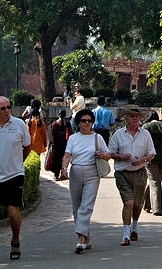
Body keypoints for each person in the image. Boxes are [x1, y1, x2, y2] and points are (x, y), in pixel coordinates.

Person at [0, 96, 31, 264]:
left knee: (12, 212)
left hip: (14, 174)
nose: (7, 110)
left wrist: (16, 163)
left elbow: (27, 147)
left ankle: (15, 240)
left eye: (9, 107)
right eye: (3, 108)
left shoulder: (19, 124)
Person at [60, 108, 111, 253]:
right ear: (79, 122)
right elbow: (67, 155)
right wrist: (64, 168)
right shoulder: (73, 138)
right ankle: (87, 237)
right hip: (76, 171)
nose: (87, 123)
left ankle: (80, 240)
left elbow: (108, 155)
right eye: (84, 121)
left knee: (86, 206)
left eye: (89, 121)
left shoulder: (97, 138)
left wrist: (101, 154)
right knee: (76, 207)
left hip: (92, 173)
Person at [108, 105, 155, 246]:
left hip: (140, 173)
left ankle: (134, 227)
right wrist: (121, 157)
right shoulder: (118, 134)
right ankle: (126, 234)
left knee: (137, 204)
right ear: (126, 118)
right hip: (122, 173)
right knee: (128, 202)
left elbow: (152, 153)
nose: (135, 119)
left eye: (137, 116)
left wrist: (143, 160)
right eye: (132, 116)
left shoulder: (145, 134)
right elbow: (110, 153)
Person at [49, 109, 71, 180]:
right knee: (63, 159)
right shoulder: (67, 122)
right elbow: (70, 131)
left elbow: (52, 135)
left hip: (56, 144)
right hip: (64, 143)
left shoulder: (55, 124)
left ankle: (56, 175)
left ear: (58, 114)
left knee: (56, 159)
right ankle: (63, 174)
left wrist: (51, 144)